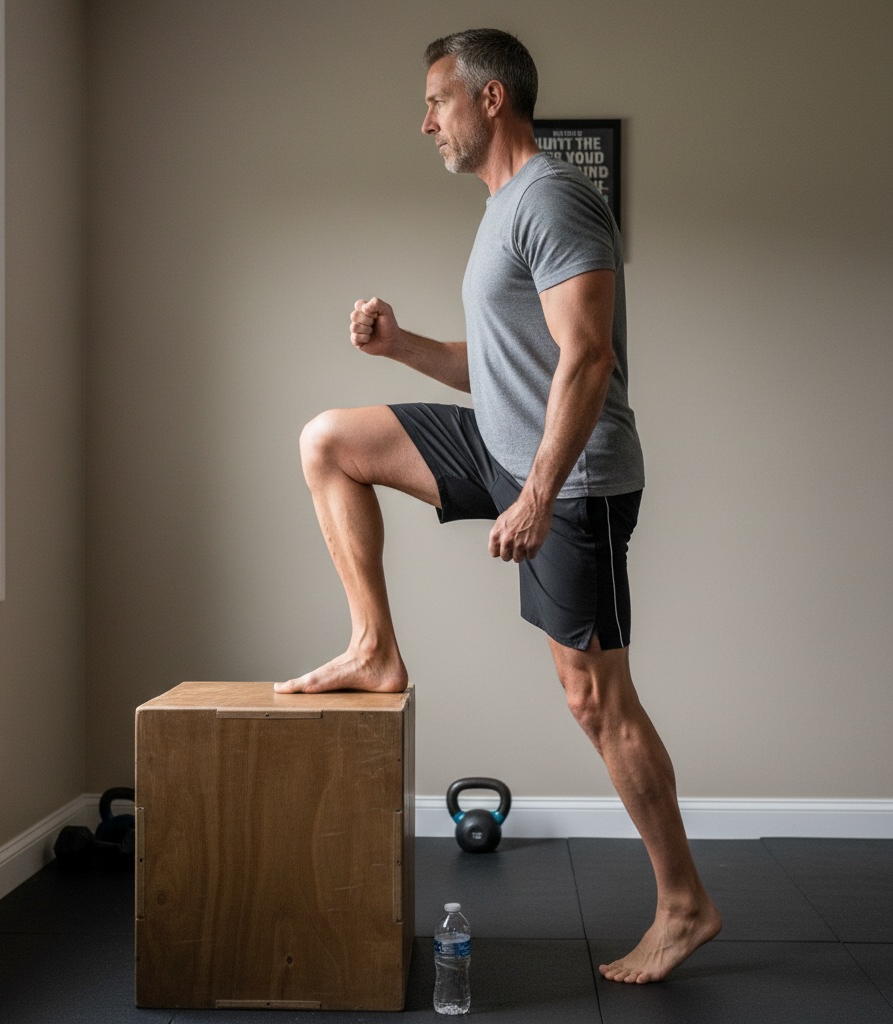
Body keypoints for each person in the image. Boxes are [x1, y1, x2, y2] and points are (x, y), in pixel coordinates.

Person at [274, 28, 721, 984]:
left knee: (595, 700)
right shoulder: (503, 209)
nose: (424, 119)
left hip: (576, 480)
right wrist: (403, 349)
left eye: (436, 99)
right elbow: (508, 371)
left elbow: (588, 358)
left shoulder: (554, 198)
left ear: (488, 100)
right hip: (503, 449)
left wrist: (539, 496)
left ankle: (685, 904)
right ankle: (373, 647)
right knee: (330, 441)